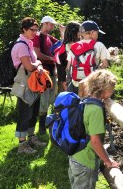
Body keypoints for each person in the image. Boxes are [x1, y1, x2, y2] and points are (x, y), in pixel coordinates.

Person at [68, 69, 120, 188]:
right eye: (112, 89)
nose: (112, 92)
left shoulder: (86, 101)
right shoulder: (96, 110)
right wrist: (108, 161)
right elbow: (95, 141)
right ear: (105, 90)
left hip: (76, 155)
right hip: (86, 162)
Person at [11, 17, 47, 154]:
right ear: (24, 29)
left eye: (36, 30)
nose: (35, 32)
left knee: (33, 113)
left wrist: (37, 63)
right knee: (25, 114)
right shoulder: (21, 45)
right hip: (25, 85)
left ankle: (31, 138)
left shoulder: (29, 44)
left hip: (33, 84)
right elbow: (29, 66)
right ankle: (22, 145)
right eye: (32, 30)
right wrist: (38, 64)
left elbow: (35, 59)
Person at [32, 15, 64, 134]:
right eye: (51, 24)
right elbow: (37, 54)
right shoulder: (37, 36)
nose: (52, 27)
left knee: (51, 98)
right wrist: (53, 59)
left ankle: (48, 123)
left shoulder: (50, 38)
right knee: (44, 99)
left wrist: (62, 32)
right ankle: (41, 127)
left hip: (51, 71)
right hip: (42, 73)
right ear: (44, 23)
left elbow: (62, 44)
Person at [66, 20, 109, 93]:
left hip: (75, 84)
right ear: (92, 32)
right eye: (97, 32)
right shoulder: (99, 45)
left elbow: (68, 67)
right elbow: (105, 64)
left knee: (75, 104)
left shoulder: (74, 46)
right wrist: (98, 69)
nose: (98, 35)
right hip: (90, 84)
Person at [55, 21, 81, 92]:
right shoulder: (69, 48)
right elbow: (64, 73)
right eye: (79, 31)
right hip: (71, 81)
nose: (81, 33)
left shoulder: (65, 45)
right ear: (74, 32)